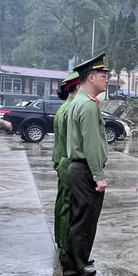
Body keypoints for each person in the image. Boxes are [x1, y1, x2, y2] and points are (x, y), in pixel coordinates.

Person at [62, 53, 109, 276]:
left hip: (79, 169)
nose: (106, 80)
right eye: (103, 76)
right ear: (90, 77)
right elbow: (91, 144)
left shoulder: (79, 102)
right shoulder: (88, 106)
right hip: (85, 170)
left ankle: (78, 265)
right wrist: (99, 176)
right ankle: (73, 272)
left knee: (81, 221)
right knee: (83, 223)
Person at [51, 71, 79, 255]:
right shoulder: (71, 109)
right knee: (68, 208)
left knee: (63, 204)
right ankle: (66, 250)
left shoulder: (65, 108)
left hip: (61, 160)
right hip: (68, 161)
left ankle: (62, 244)